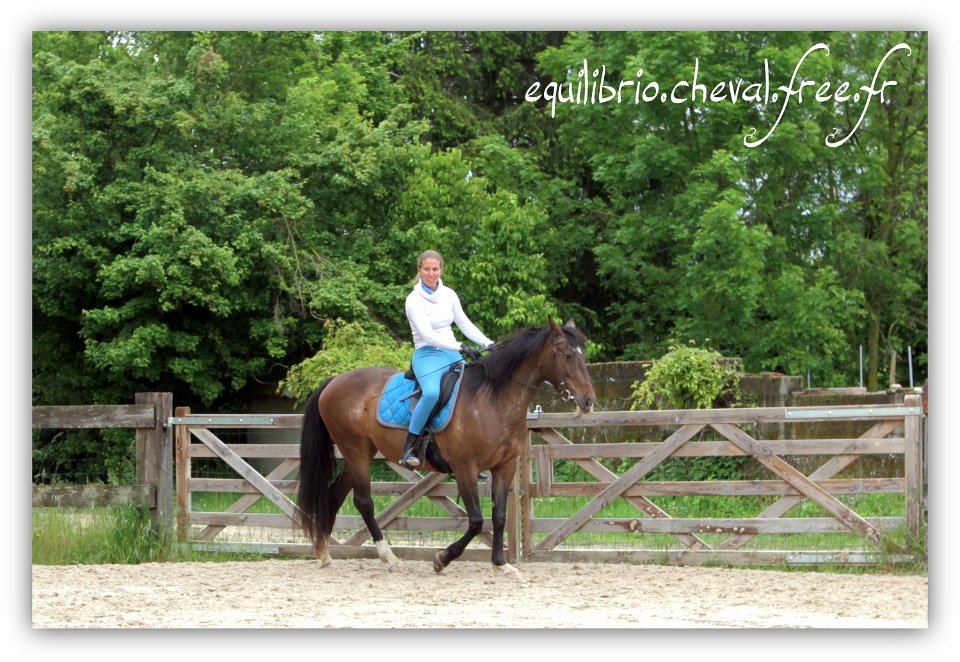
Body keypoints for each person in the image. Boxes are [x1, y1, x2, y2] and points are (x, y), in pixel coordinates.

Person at [400, 249, 494, 468]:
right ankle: (410, 447)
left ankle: (466, 453)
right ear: (419, 270)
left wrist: (488, 343)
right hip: (427, 354)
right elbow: (427, 335)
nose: (431, 274)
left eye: (435, 269)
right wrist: (460, 346)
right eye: (427, 269)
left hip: (451, 352)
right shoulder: (413, 300)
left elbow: (465, 324)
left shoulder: (449, 294)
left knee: (473, 391)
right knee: (432, 393)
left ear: (441, 269)